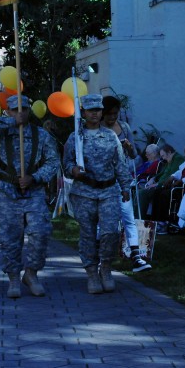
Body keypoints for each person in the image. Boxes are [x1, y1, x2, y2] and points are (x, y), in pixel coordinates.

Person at [0, 95, 59, 298]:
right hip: (7, 192)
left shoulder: (40, 135)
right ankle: (14, 276)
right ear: (8, 111)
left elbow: (52, 162)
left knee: (40, 233)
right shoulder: (0, 133)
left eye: (24, 109)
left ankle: (31, 273)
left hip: (33, 192)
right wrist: (9, 121)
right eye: (15, 109)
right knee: (9, 238)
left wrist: (36, 177)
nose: (20, 113)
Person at [63, 94, 132, 294]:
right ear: (83, 113)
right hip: (84, 192)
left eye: (98, 110)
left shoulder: (110, 136)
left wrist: (125, 186)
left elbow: (119, 163)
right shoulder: (75, 137)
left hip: (109, 190)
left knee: (111, 232)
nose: (95, 114)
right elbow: (66, 163)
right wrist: (73, 170)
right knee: (88, 234)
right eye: (91, 110)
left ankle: (106, 268)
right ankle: (92, 272)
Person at [101, 95, 151, 272]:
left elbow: (134, 155)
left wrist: (129, 148)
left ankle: (136, 256)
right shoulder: (97, 129)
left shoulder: (124, 127)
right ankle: (102, 257)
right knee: (105, 221)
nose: (112, 117)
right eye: (109, 114)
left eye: (115, 114)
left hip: (122, 180)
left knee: (128, 217)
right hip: (104, 181)